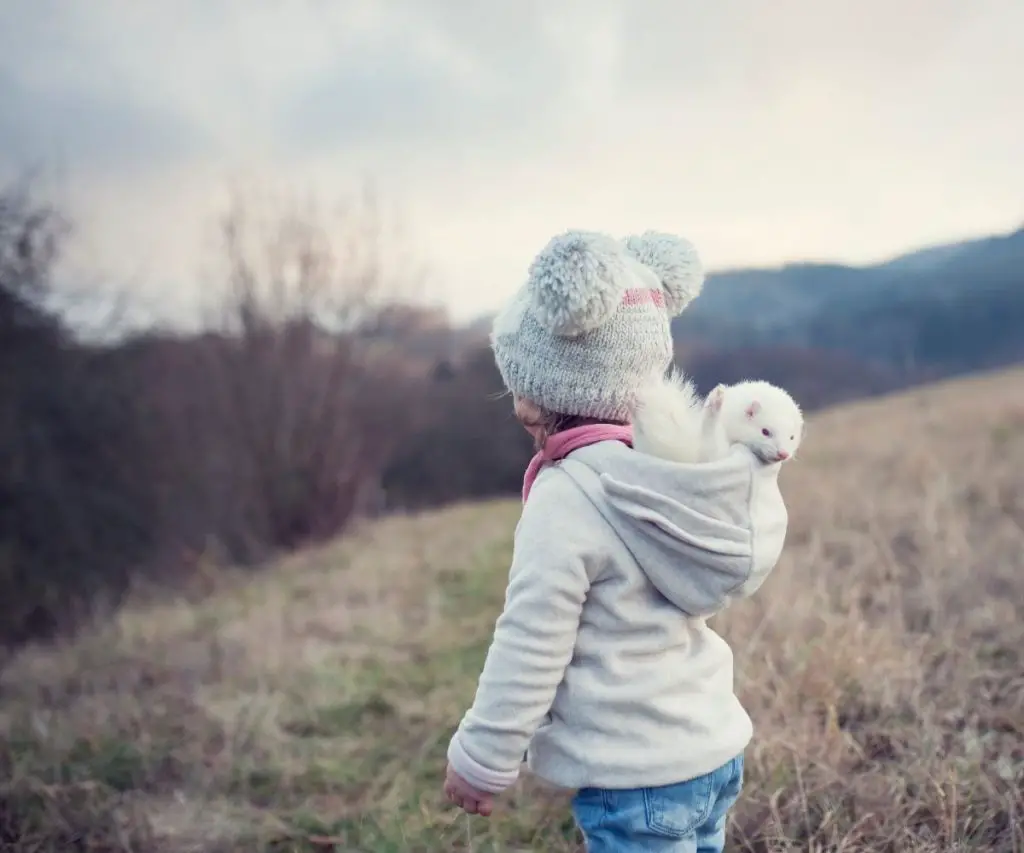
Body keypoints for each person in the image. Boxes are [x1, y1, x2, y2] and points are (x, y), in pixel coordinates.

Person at [442, 229, 789, 852]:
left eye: (518, 380)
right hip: (709, 750)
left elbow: (531, 640)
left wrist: (482, 756)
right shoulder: (674, 472)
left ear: (539, 395)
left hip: (634, 777)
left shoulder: (566, 498)